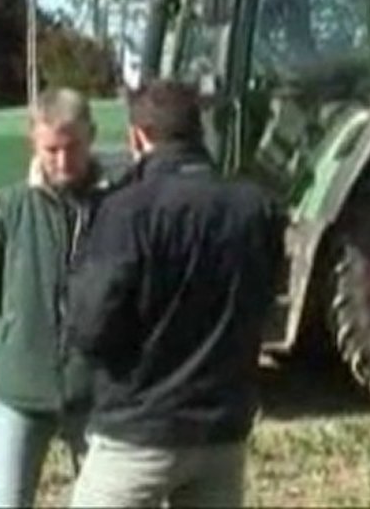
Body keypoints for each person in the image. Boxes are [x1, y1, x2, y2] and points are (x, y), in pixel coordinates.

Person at [66, 79, 285, 508]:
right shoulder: (255, 208)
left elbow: (91, 325)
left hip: (138, 430)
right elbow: (265, 301)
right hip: (221, 430)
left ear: (137, 136)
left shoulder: (125, 212)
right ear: (199, 131)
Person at [0, 87, 112, 508]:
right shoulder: (9, 210)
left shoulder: (117, 209)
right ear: (33, 140)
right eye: (51, 150)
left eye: (73, 148)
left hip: (96, 392)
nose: (63, 162)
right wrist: (10, 352)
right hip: (19, 392)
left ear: (92, 137)